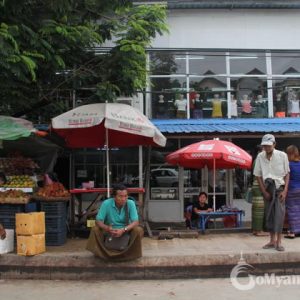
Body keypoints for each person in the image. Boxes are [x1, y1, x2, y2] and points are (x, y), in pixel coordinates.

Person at [86, 184, 143, 261]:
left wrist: (123, 230)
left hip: (125, 230)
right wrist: (107, 228)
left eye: (125, 196)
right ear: (114, 196)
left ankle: (130, 254)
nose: (123, 199)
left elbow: (136, 222)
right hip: (109, 230)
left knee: (138, 230)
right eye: (120, 196)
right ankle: (101, 253)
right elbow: (98, 221)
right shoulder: (106, 203)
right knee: (95, 229)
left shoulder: (130, 203)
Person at [253, 134, 290, 251]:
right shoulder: (260, 156)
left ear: (274, 144)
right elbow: (258, 175)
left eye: (269, 146)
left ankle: (279, 242)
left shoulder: (282, 155)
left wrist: (285, 191)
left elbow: (287, 174)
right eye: (265, 146)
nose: (267, 148)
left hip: (279, 187)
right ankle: (271, 241)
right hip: (267, 187)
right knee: (269, 214)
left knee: (279, 214)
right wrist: (264, 191)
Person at [285, 145, 300, 239]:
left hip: (291, 190)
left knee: (292, 210)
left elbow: (286, 177)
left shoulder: (289, 165)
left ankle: (292, 232)